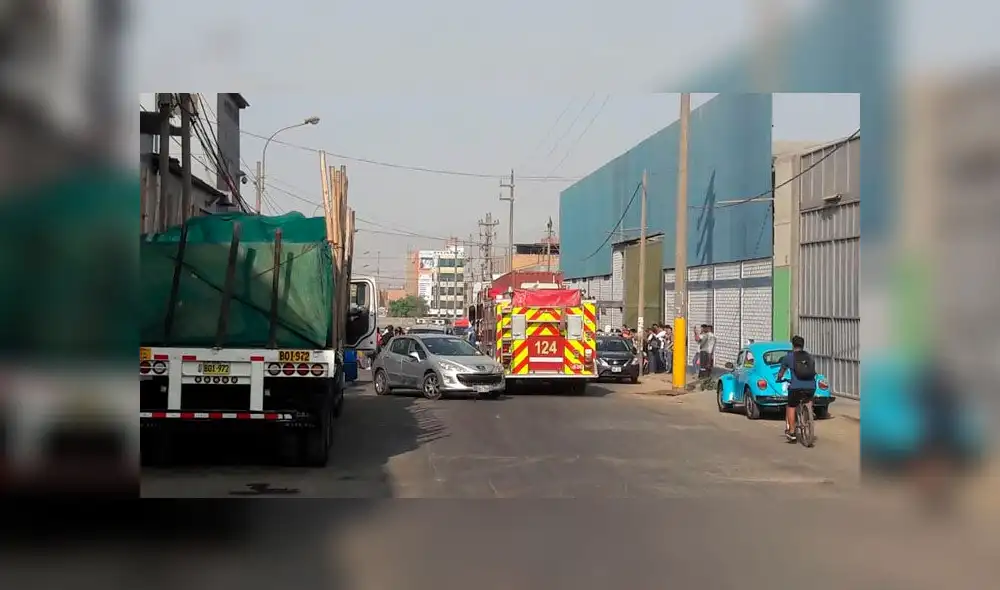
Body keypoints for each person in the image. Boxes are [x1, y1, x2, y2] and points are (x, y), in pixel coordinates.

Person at [776, 335, 816, 443]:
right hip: (811, 386)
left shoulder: (789, 357)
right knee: (809, 398)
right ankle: (809, 412)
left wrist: (779, 379)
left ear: (793, 345)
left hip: (796, 387)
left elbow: (781, 372)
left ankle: (792, 432)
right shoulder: (810, 356)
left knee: (791, 406)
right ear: (803, 345)